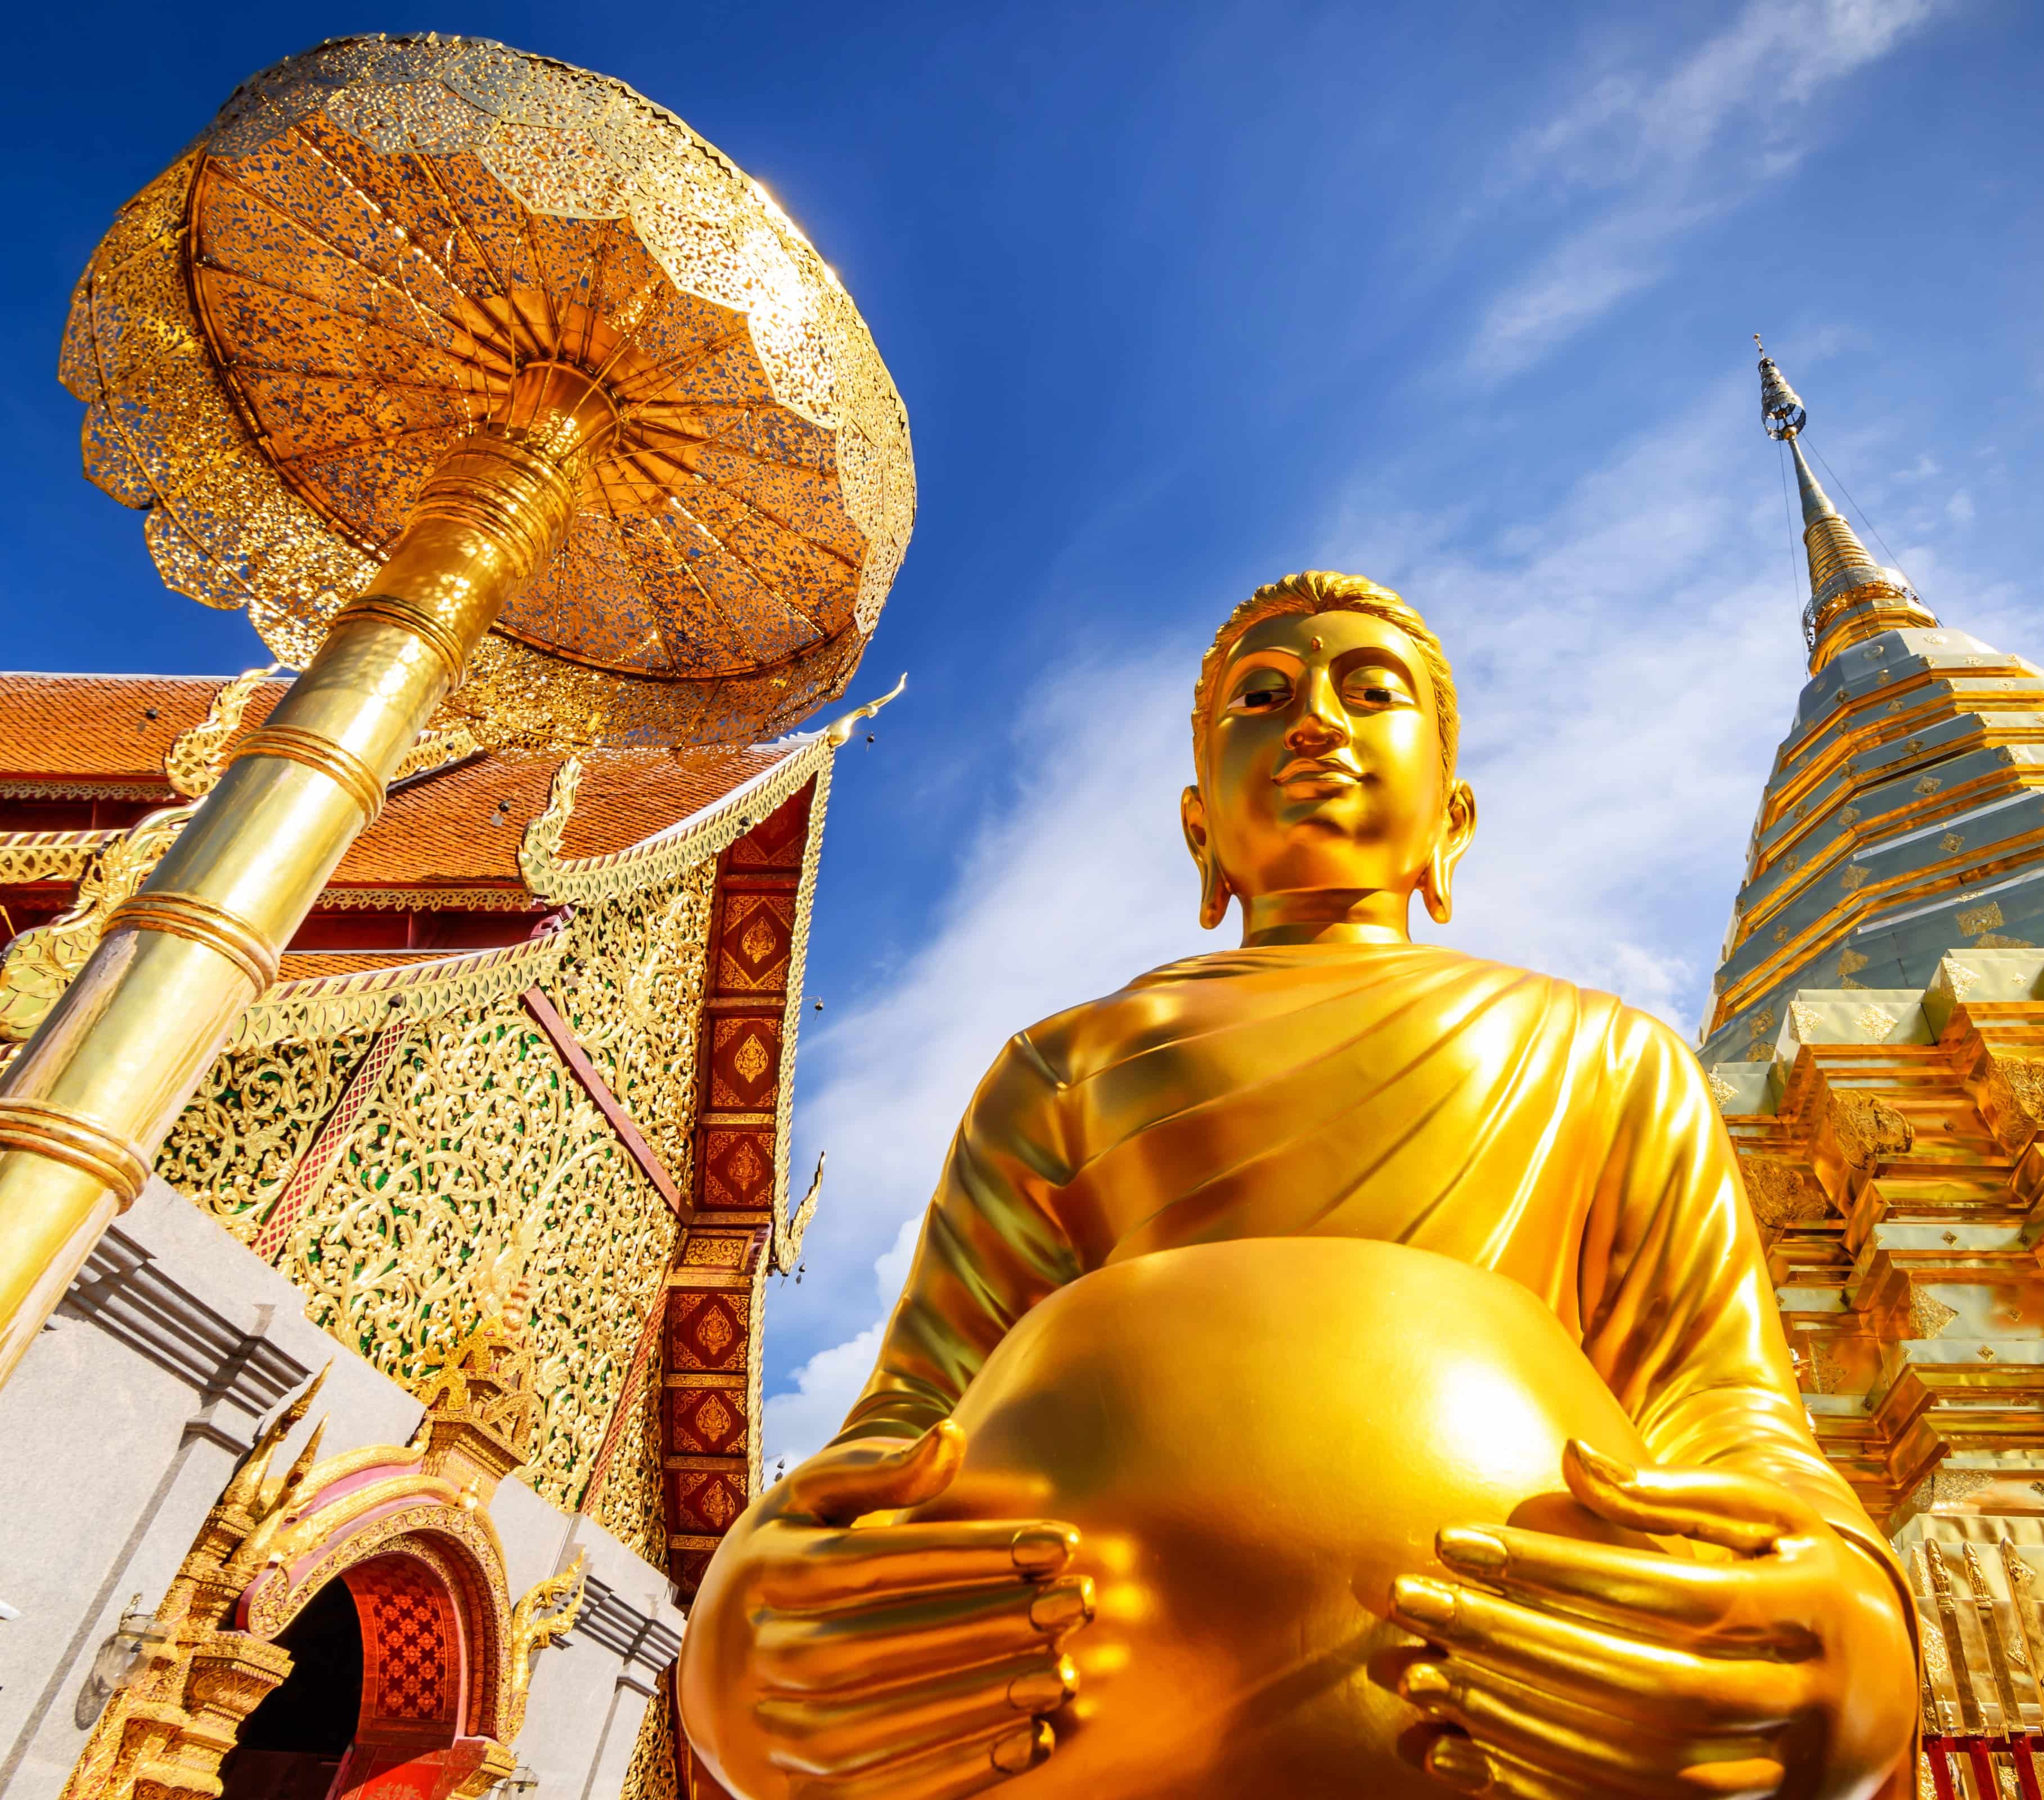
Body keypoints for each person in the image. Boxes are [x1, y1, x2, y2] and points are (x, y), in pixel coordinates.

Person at [681, 572, 1918, 1800]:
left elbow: (1728, 1416)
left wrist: (1840, 1628)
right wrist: (752, 1626)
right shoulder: (1068, 1065)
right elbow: (907, 1426)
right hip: (1059, 1745)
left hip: (1528, 1737)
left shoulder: (1603, 1054)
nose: (1314, 720)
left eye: (1368, 690)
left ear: (1456, 817)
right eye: (1262, 699)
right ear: (1198, 827)